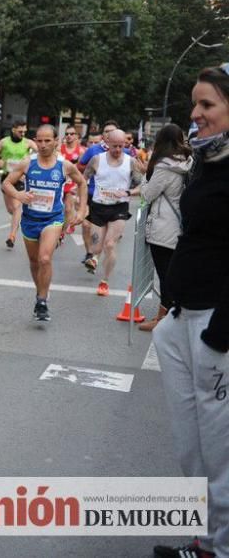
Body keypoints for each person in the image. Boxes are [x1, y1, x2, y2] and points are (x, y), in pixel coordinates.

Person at [151, 65, 229, 558]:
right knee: (190, 448)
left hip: (215, 325)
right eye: (194, 105)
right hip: (182, 318)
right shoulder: (207, 160)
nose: (195, 114)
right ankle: (204, 541)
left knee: (221, 454)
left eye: (208, 105)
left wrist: (221, 330)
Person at [1, 125, 87, 321]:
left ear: (56, 141)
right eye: (39, 140)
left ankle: (41, 301)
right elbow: (6, 183)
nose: (43, 144)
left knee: (45, 258)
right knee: (33, 262)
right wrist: (19, 195)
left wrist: (81, 210)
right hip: (30, 219)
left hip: (53, 219)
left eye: (48, 140)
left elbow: (81, 183)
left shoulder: (64, 165)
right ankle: (41, 291)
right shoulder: (28, 163)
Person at [138, 124, 192, 332]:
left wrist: (144, 177)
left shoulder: (163, 166)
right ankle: (170, 316)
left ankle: (163, 319)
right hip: (178, 223)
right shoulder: (186, 162)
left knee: (165, 274)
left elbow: (148, 194)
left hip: (163, 227)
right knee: (171, 273)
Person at [83, 129, 142, 297]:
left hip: (119, 208)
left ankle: (105, 281)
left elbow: (141, 185)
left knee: (110, 244)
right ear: (107, 143)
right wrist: (80, 198)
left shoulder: (130, 162)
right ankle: (94, 258)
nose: (117, 150)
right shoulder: (96, 160)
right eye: (114, 146)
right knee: (96, 247)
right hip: (98, 207)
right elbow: (84, 178)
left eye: (121, 146)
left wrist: (128, 193)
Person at [0, 122, 37, 249]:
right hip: (7, 178)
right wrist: (1, 164)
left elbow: (41, 153)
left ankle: (12, 236)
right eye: (20, 131)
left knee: (17, 207)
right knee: (10, 209)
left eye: (24, 131)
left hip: (21, 178)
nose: (22, 134)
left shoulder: (28, 143)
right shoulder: (4, 142)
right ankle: (17, 220)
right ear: (13, 130)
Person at [59, 125, 85, 237]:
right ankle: (62, 225)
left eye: (72, 134)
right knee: (58, 209)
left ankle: (62, 233)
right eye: (67, 134)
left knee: (68, 208)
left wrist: (79, 186)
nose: (69, 136)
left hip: (72, 184)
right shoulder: (59, 149)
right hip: (60, 182)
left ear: (77, 136)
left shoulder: (81, 151)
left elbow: (83, 170)